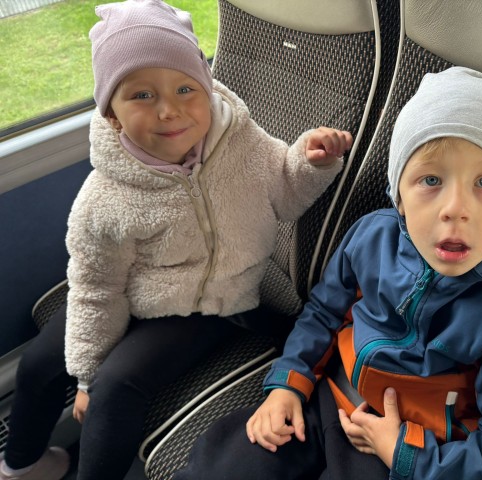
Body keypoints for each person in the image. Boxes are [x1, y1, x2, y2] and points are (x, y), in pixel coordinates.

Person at [0, 1, 353, 479]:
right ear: (112, 115)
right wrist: (84, 372)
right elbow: (97, 290)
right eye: (142, 95)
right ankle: (23, 465)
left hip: (214, 300)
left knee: (114, 387)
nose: (169, 110)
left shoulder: (240, 140)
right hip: (133, 290)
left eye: (186, 88)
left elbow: (285, 193)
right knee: (40, 362)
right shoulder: (103, 201)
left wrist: (311, 162)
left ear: (206, 88)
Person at [173, 66, 482, 480]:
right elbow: (324, 313)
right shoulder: (372, 237)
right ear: (398, 193)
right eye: (431, 179)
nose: (456, 209)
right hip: (329, 396)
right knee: (230, 464)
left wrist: (407, 453)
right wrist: (288, 382)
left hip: (418, 448)